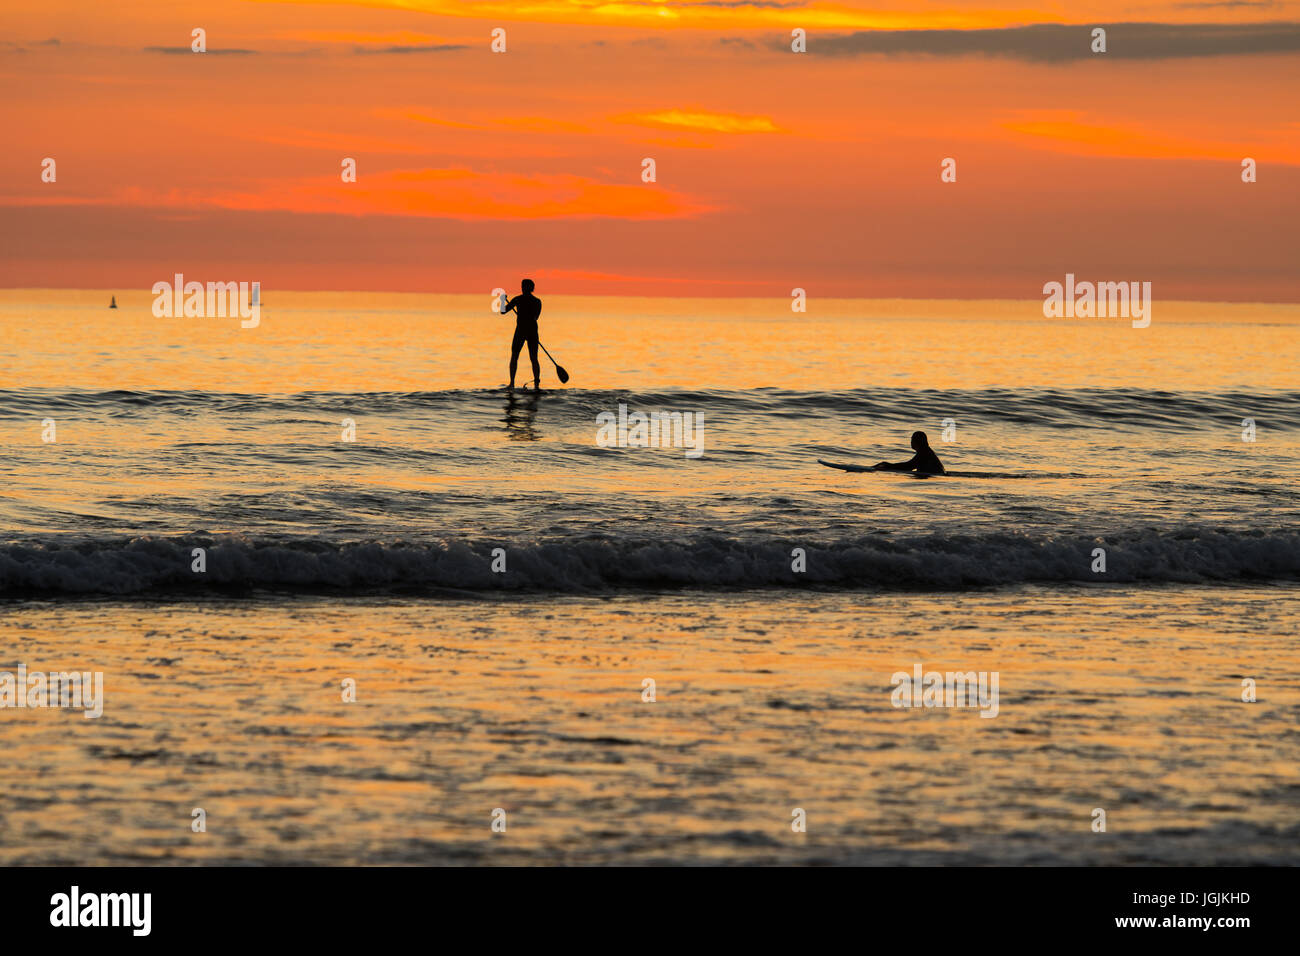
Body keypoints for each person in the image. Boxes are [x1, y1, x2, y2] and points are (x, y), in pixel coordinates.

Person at [501, 279, 542, 390]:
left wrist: (502, 300)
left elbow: (503, 311)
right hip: (532, 331)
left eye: (523, 286)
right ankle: (536, 385)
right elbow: (536, 317)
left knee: (515, 356)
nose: (522, 288)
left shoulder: (518, 299)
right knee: (534, 358)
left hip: (521, 331)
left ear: (525, 288)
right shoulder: (537, 301)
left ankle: (512, 383)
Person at [874, 431, 945, 475]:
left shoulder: (924, 453)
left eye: (912, 439)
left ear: (916, 442)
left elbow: (908, 466)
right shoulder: (927, 452)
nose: (911, 442)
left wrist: (888, 465)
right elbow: (910, 465)